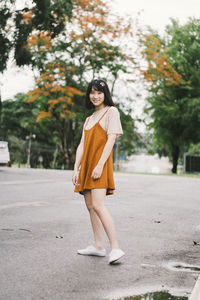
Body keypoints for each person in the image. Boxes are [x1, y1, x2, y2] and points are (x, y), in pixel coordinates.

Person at [72, 79, 125, 264]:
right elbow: (82, 145)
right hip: (86, 166)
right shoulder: (88, 119)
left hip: (99, 165)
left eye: (99, 93)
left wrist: (100, 165)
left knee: (99, 205)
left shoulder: (112, 111)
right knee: (90, 206)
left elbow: (111, 140)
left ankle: (116, 247)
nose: (95, 96)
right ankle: (98, 246)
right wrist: (76, 168)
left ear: (105, 94)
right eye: (92, 93)